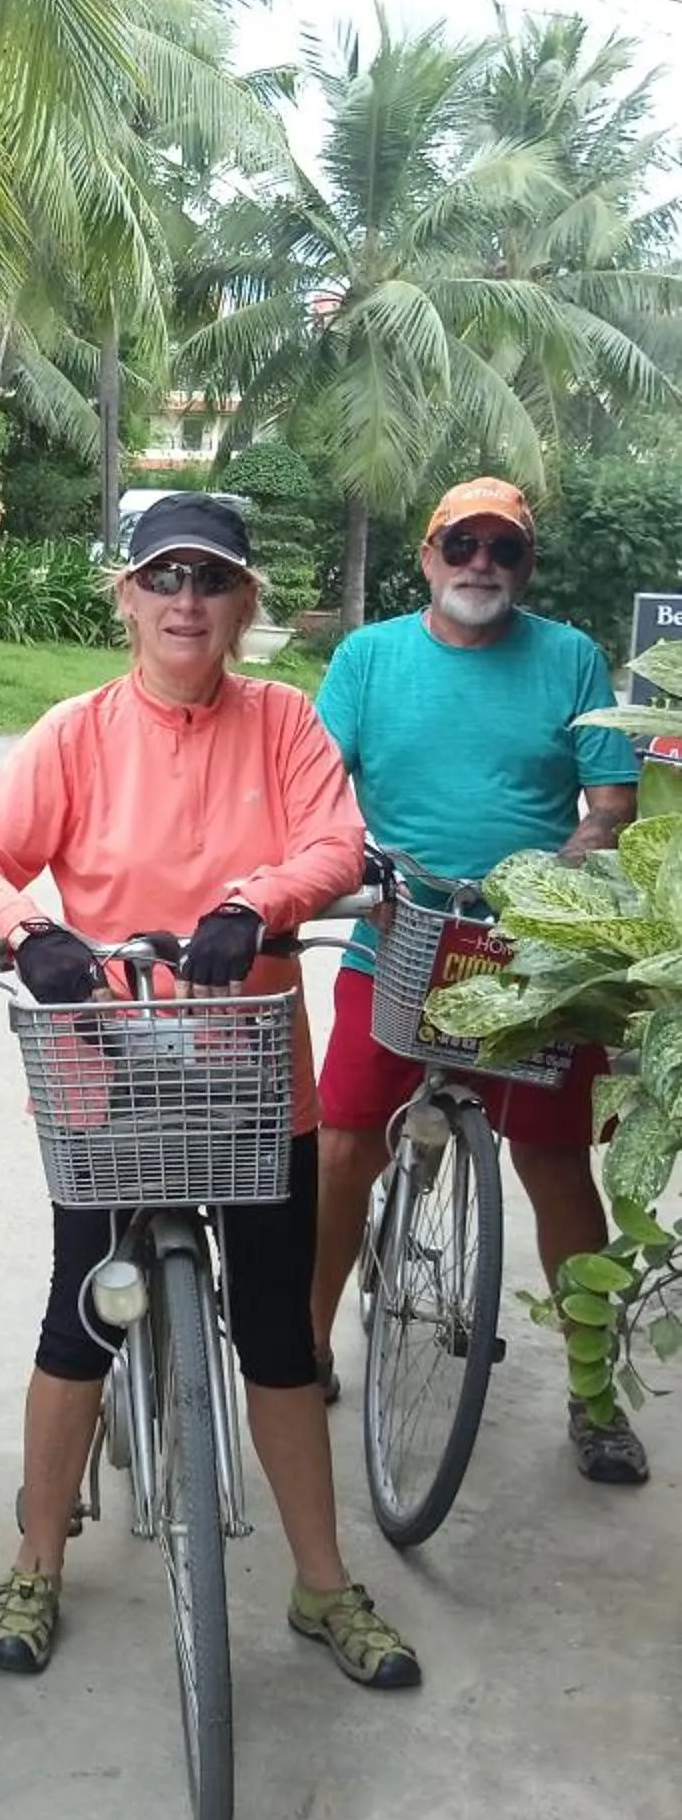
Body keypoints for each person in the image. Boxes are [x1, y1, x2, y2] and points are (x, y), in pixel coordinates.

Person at [0, 495, 419, 1689]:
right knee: (76, 1320)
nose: (185, 602)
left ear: (243, 601)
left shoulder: (286, 724)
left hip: (250, 1077)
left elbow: (339, 842)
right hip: (107, 1071)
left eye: (210, 581)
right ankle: (34, 1563)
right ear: (127, 598)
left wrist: (257, 903)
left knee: (276, 1341)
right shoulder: (73, 731)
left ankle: (321, 1584)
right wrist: (25, 929)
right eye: (163, 580)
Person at [309, 476, 644, 1480]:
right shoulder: (369, 657)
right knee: (337, 1149)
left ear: (523, 566)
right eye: (461, 546)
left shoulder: (567, 656)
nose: (480, 566)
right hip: (397, 937)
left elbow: (608, 799)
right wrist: (347, 865)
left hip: (534, 956)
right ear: (426, 555)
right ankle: (305, 1345)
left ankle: (591, 1397)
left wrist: (571, 864)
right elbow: (319, 787)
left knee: (551, 1163)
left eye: (502, 550)